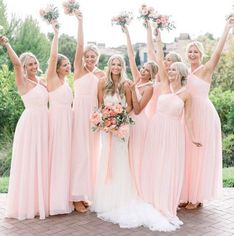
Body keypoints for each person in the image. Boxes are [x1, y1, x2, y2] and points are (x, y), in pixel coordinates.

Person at [92, 54, 179, 232]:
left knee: (121, 160)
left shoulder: (126, 84)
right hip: (106, 129)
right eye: (113, 64)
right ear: (109, 66)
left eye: (119, 64)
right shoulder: (102, 83)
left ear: (122, 67)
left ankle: (121, 197)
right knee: (105, 158)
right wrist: (104, 120)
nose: (116, 67)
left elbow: (131, 107)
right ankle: (105, 198)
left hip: (121, 128)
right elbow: (100, 105)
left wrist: (119, 120)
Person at [141, 29, 201, 225]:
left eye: (174, 69)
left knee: (168, 166)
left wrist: (193, 137)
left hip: (174, 132)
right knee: (155, 163)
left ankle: (166, 201)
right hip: (157, 128)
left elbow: (189, 118)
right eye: (170, 69)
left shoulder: (186, 95)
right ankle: (151, 198)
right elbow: (158, 60)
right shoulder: (164, 85)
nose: (170, 71)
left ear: (181, 73)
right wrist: (158, 39)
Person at [180, 17, 234, 209]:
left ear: (201, 55)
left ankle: (196, 197)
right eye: (190, 51)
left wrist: (227, 28)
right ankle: (187, 194)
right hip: (187, 116)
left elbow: (218, 52)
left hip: (204, 114)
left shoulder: (206, 69)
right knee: (187, 154)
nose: (193, 54)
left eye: (196, 51)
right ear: (186, 54)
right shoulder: (184, 72)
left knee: (200, 154)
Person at [0, 36, 49, 220]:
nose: (34, 66)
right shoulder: (23, 83)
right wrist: (7, 44)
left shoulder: (43, 81)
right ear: (25, 67)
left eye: (35, 63)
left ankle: (41, 201)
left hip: (45, 123)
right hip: (30, 125)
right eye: (29, 64)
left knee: (43, 162)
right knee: (30, 162)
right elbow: (16, 64)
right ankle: (27, 204)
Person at [70, 10, 105, 213]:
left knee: (93, 153)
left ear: (97, 58)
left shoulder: (101, 74)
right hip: (79, 113)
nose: (90, 58)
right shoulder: (79, 69)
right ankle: (76, 197)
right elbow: (80, 45)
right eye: (87, 56)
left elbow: (101, 99)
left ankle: (86, 194)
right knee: (80, 154)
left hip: (93, 116)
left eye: (93, 56)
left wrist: (102, 117)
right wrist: (81, 22)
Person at [122, 25, 158, 195]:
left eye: (147, 71)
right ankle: (128, 187)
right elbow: (130, 56)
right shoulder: (137, 80)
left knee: (136, 155)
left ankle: (138, 190)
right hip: (128, 122)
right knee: (127, 154)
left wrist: (132, 92)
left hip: (139, 122)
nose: (143, 71)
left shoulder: (149, 88)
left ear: (152, 75)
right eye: (143, 68)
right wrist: (127, 32)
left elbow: (137, 110)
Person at [46, 22, 73, 215]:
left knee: (65, 160)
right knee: (57, 158)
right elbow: (53, 55)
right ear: (57, 67)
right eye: (65, 65)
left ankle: (64, 198)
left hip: (67, 123)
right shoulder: (52, 79)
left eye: (68, 64)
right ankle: (54, 201)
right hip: (56, 123)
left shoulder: (66, 82)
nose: (68, 67)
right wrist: (56, 33)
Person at [145, 21, 182, 118]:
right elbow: (150, 51)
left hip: (165, 112)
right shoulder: (158, 72)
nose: (165, 61)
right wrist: (148, 28)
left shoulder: (175, 79)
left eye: (168, 60)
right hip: (151, 109)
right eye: (165, 59)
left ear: (175, 63)